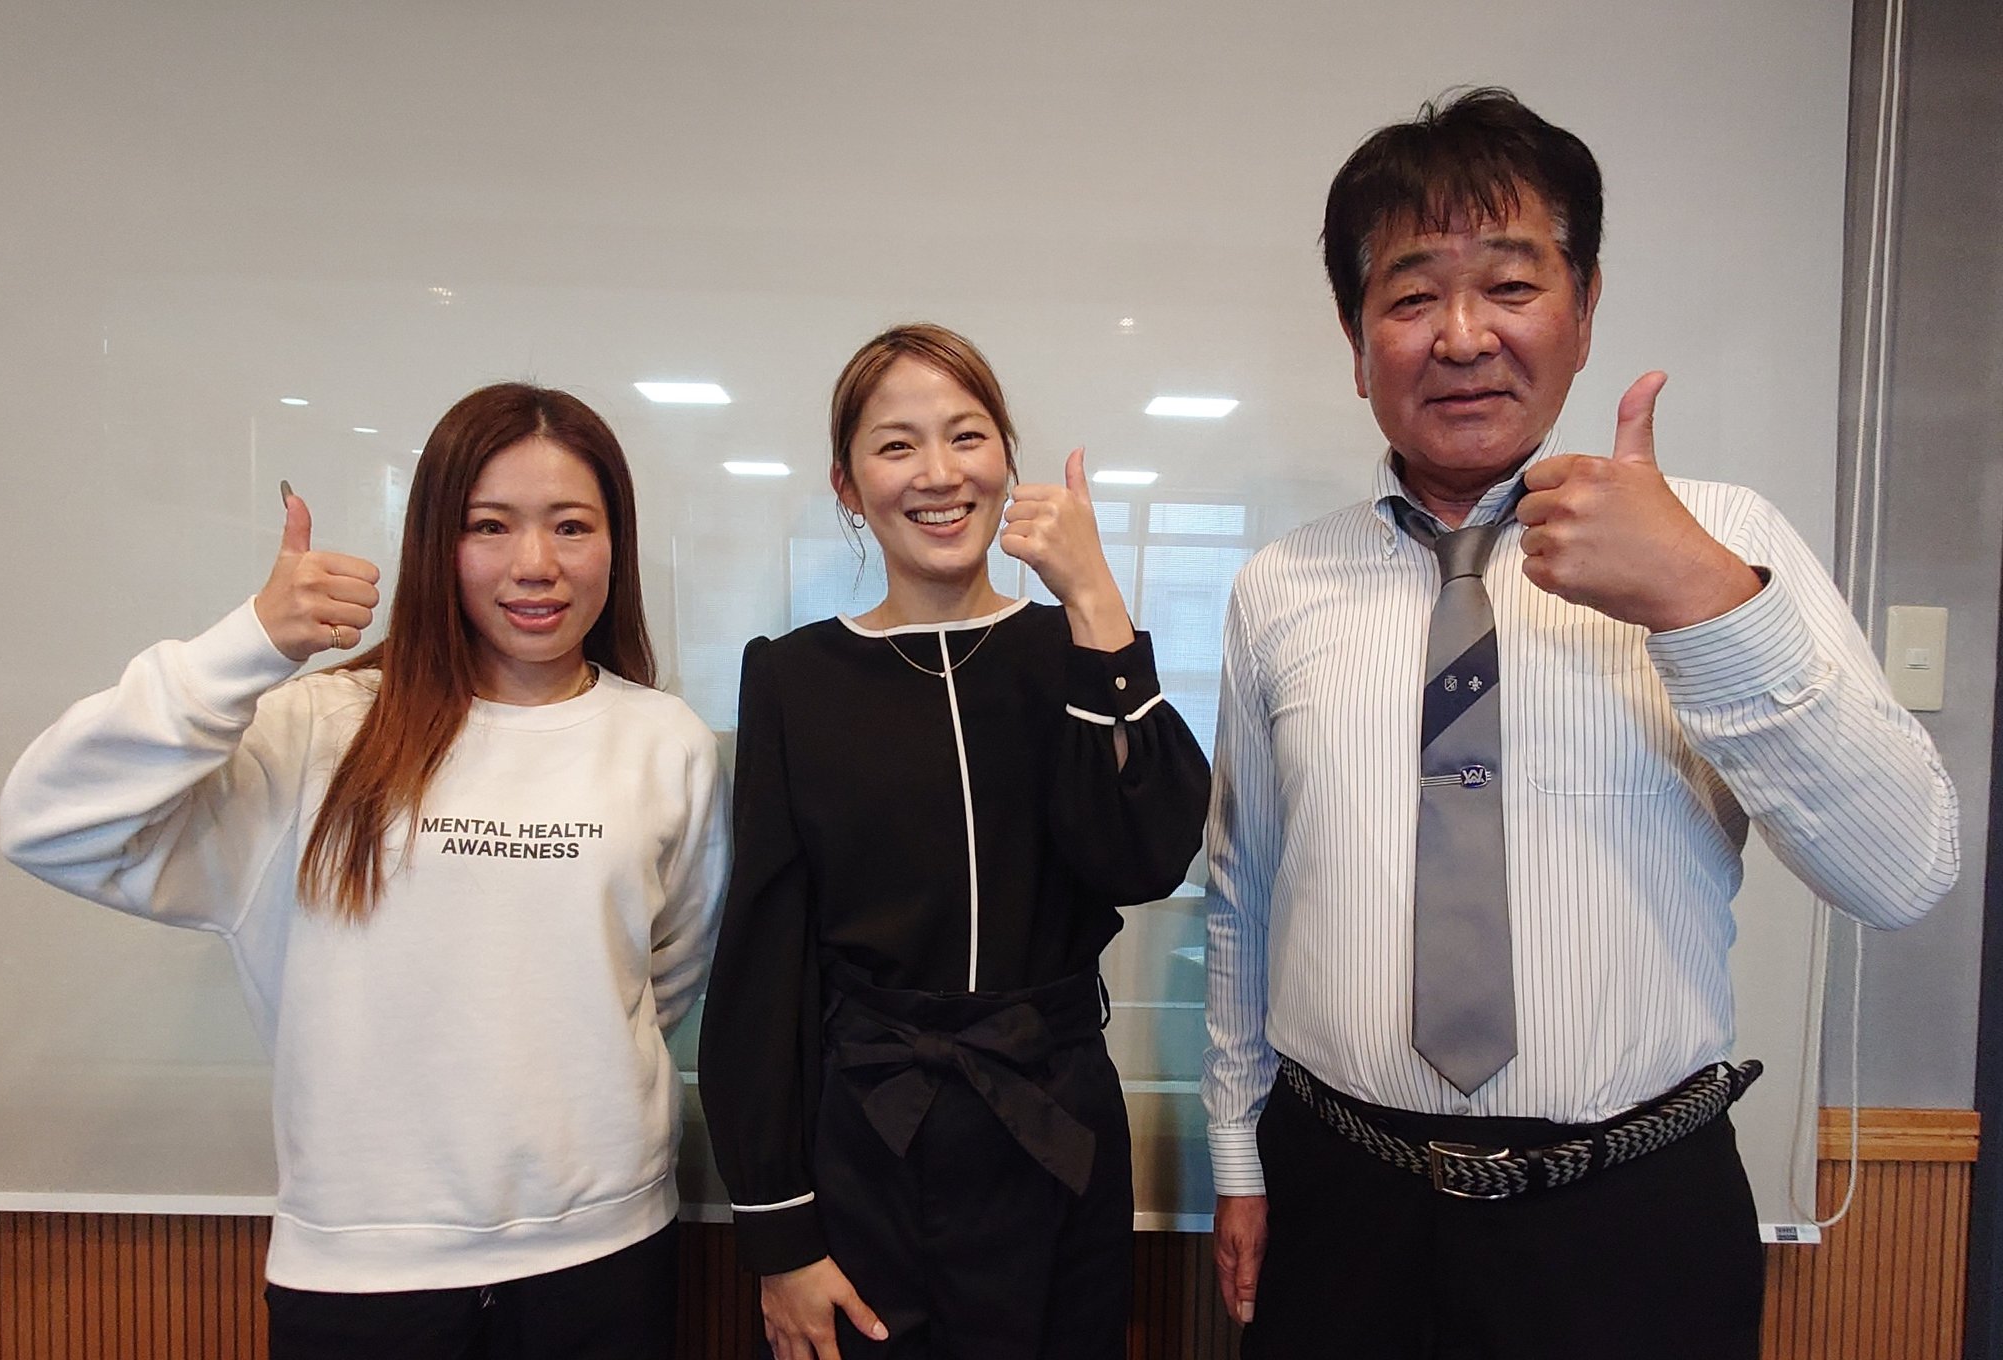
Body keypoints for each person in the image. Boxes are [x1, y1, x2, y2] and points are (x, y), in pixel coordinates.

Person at [1201, 88, 1959, 1359]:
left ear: (1583, 304)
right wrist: (1236, 1152)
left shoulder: (1723, 540)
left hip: (1631, 1217)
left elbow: (1901, 872)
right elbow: (1245, 889)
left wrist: (1702, 603)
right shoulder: (1280, 585)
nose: (1460, 336)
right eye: (1409, 296)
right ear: (1354, 336)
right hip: (1341, 1201)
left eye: (1509, 285)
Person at [0, 383, 728, 1359]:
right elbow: (48, 823)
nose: (535, 563)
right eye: (489, 525)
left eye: (571, 525)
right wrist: (248, 646)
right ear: (435, 542)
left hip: (604, 1252)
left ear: (615, 542)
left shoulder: (664, 740)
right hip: (362, 1273)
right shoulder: (318, 730)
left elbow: (659, 972)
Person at [698, 323, 1210, 1360]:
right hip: (866, 1141)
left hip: (1054, 1128)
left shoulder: (1072, 650)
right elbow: (762, 965)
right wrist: (779, 1234)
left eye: (966, 436)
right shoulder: (794, 678)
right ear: (847, 486)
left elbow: (1147, 856)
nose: (938, 473)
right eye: (896, 445)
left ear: (1006, 460)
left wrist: (1094, 599)